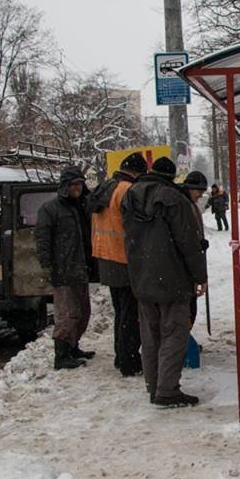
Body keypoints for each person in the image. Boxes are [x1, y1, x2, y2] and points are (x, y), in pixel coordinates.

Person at [123, 157, 208, 408]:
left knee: (150, 335)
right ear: (172, 177)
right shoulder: (174, 199)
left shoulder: (130, 195)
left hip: (141, 276)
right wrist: (199, 277)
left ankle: (154, 386)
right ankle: (167, 390)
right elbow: (189, 244)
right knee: (175, 333)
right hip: (172, 278)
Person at [89, 152, 147, 377]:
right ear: (136, 172)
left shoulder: (104, 187)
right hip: (124, 259)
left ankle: (121, 355)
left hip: (105, 258)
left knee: (121, 313)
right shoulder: (126, 191)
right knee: (130, 315)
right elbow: (135, 227)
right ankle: (129, 362)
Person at [35, 166, 94, 370]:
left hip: (81, 268)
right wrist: (48, 265)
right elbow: (42, 240)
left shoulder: (81, 206)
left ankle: (72, 346)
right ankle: (61, 355)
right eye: (74, 184)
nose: (78, 188)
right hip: (63, 269)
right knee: (66, 315)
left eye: (80, 184)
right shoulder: (50, 209)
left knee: (83, 312)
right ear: (65, 186)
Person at [181, 171, 210, 328]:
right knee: (186, 311)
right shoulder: (182, 206)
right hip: (183, 270)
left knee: (190, 309)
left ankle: (183, 342)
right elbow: (187, 241)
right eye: (199, 191)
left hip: (188, 267)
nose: (200, 195)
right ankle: (181, 344)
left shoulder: (190, 204)